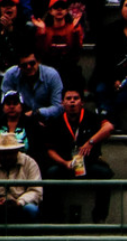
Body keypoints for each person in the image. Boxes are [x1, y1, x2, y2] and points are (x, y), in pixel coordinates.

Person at [39, 85, 115, 222]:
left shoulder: (91, 117)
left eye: (76, 98)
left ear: (82, 102)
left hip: (88, 163)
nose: (72, 102)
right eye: (68, 99)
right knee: (50, 174)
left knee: (105, 173)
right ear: (62, 102)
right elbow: (50, 150)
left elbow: (109, 127)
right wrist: (64, 163)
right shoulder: (56, 122)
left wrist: (90, 142)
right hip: (66, 165)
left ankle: (99, 217)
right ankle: (56, 217)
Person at [0, 129, 42, 224]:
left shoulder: (30, 163)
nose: (7, 157)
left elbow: (36, 191)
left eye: (10, 153)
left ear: (17, 151)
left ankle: (33, 234)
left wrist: (20, 202)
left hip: (22, 204)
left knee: (32, 210)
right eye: (3, 153)